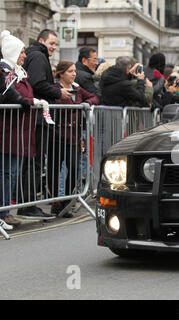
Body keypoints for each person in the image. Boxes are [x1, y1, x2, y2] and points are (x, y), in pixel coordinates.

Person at [0, 30, 52, 226]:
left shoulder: (18, 72)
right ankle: (3, 213)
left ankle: (5, 212)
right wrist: (28, 101)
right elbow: (10, 94)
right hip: (8, 130)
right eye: (22, 52)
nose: (25, 56)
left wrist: (29, 101)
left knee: (11, 173)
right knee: (5, 173)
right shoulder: (6, 71)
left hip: (18, 132)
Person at [20, 29, 73, 217]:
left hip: (37, 116)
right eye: (51, 43)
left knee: (32, 161)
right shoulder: (38, 57)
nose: (53, 47)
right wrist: (58, 93)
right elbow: (37, 83)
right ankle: (28, 204)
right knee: (34, 161)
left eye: (56, 44)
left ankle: (27, 202)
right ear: (41, 40)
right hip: (37, 118)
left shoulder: (37, 56)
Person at [49, 60, 99, 217]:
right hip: (57, 136)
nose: (74, 74)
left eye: (74, 71)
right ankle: (56, 201)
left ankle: (67, 201)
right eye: (70, 71)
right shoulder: (55, 89)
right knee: (54, 170)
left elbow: (95, 97)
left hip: (74, 137)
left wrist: (85, 103)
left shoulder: (77, 88)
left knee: (74, 168)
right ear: (61, 73)